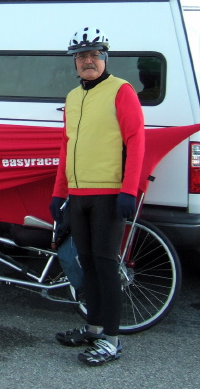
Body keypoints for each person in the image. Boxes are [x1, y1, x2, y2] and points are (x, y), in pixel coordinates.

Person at [50, 27, 145, 366]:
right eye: (81, 56)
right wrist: (59, 193)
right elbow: (66, 146)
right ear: (74, 62)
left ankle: (112, 340)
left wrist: (128, 189)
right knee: (87, 263)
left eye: (94, 55)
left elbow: (136, 140)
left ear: (105, 58)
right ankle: (93, 328)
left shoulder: (121, 91)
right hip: (78, 195)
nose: (87, 61)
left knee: (106, 266)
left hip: (108, 194)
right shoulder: (73, 97)